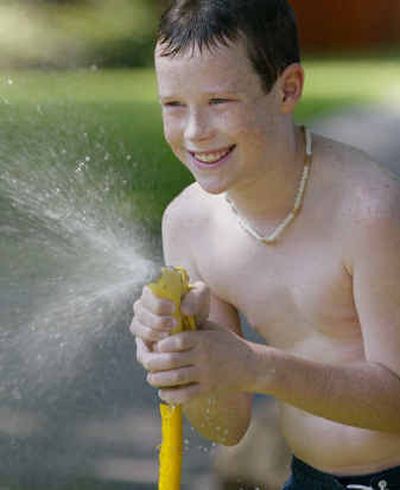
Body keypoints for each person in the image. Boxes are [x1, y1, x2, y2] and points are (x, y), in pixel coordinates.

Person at [130, 1, 400, 488]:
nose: (195, 132)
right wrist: (183, 359)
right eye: (173, 105)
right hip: (311, 478)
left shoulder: (367, 209)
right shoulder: (188, 224)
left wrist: (258, 367)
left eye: (219, 102)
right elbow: (226, 427)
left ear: (287, 89)